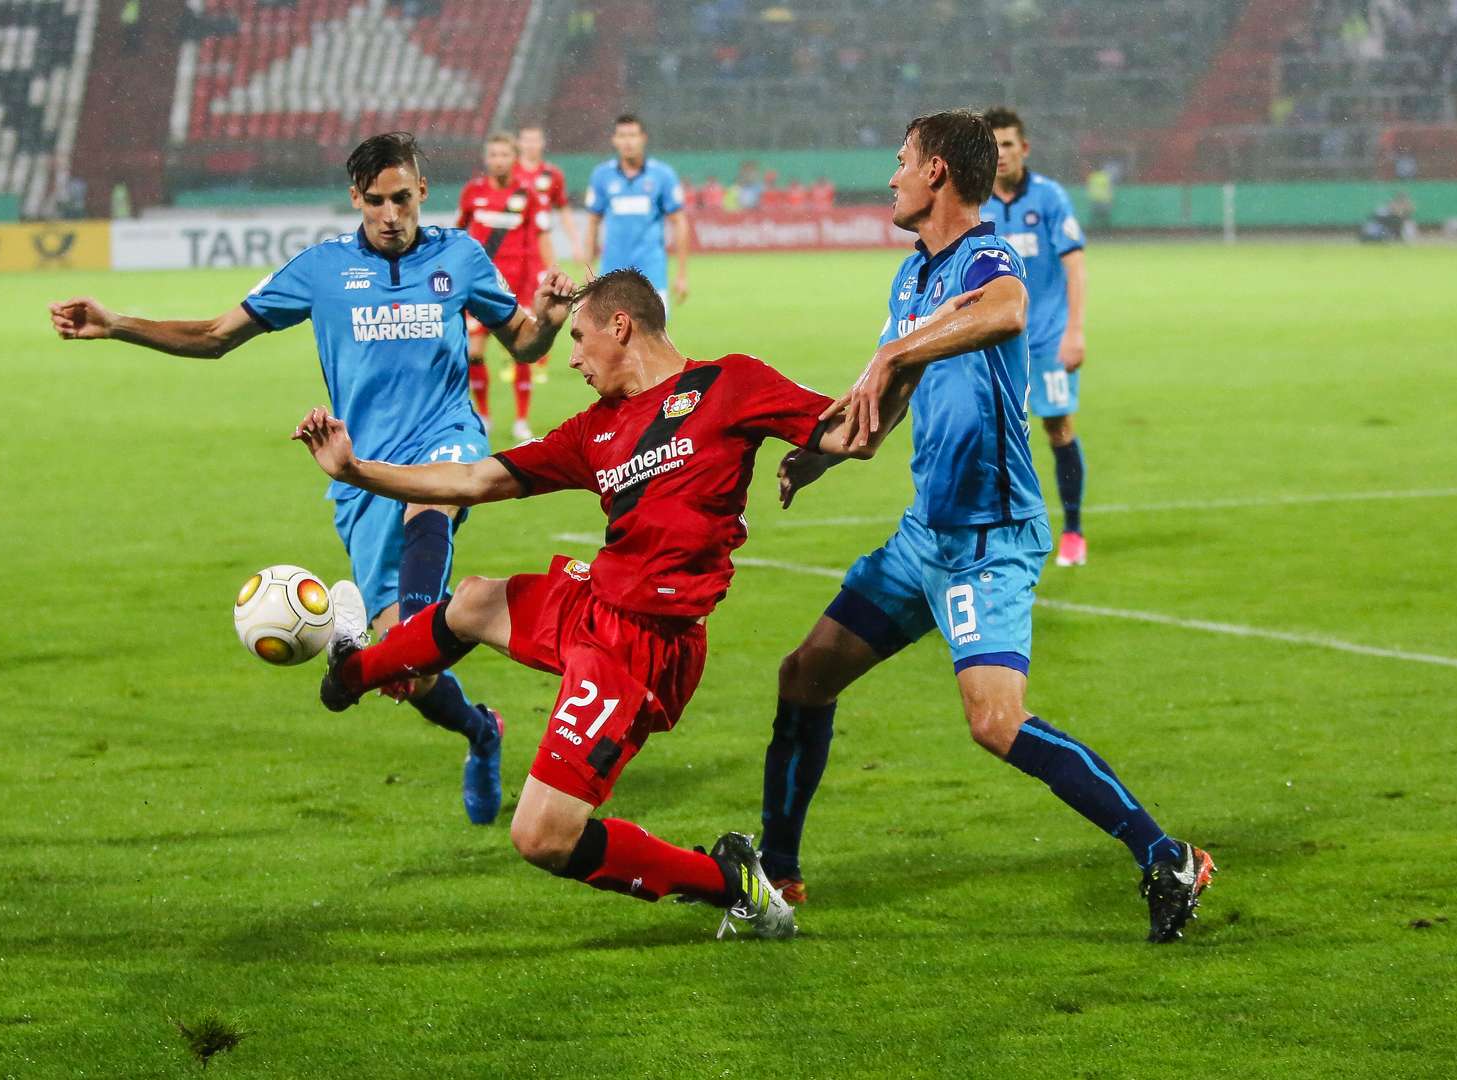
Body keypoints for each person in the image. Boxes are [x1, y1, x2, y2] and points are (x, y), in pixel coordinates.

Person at [292, 269, 910, 938]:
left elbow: (852, 433)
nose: (573, 358)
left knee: (541, 837)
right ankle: (353, 672)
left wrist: (909, 356)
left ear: (621, 327)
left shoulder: (729, 385)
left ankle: (733, 881)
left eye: (579, 339)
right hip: (596, 603)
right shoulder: (596, 429)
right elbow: (474, 478)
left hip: (641, 648)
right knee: (471, 602)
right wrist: (355, 471)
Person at [759, 110, 1214, 944]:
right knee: (805, 676)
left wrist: (897, 352)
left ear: (936, 171)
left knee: (996, 723)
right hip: (924, 537)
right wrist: (823, 454)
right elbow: (884, 405)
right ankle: (775, 872)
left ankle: (1167, 856)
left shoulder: (986, 256)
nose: (890, 176)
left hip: (988, 540)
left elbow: (1007, 312)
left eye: (901, 160)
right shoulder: (912, 277)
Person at [50, 133, 570, 825]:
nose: (392, 214)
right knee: (414, 677)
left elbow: (525, 342)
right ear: (356, 198)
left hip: (444, 437)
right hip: (357, 470)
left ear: (423, 191)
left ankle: (405, 638)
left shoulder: (460, 256)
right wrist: (117, 323)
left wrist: (550, 320)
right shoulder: (321, 270)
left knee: (434, 501)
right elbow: (215, 336)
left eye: (403, 198)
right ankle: (481, 730)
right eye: (377, 201)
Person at [979, 107, 1092, 566]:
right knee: (992, 437)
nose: (1001, 155)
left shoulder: (1049, 197)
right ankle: (1004, 533)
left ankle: (1073, 531)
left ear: (1024, 148)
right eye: (993, 147)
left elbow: (1075, 266)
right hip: (994, 345)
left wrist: (1074, 331)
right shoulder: (974, 203)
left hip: (1046, 341)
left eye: (1008, 145)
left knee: (1058, 428)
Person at [457, 132, 554, 443]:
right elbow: (459, 232)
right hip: (480, 288)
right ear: (486, 158)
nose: (498, 160)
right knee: (473, 352)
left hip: (517, 288)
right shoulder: (473, 192)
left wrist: (549, 272)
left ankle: (521, 420)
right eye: (493, 155)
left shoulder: (528, 195)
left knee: (521, 353)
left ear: (514, 158)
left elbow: (540, 236)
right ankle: (484, 415)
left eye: (504, 154)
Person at [583, 115, 689, 307]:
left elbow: (679, 222)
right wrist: (589, 270)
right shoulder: (601, 175)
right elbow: (592, 224)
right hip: (611, 275)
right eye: (622, 136)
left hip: (652, 274)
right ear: (614, 140)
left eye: (632, 135)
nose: (628, 142)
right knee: (612, 326)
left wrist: (682, 274)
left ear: (643, 138)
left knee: (654, 327)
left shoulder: (662, 175)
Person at [514, 124, 585, 386]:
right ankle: (513, 355)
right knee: (514, 303)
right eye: (527, 140)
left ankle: (540, 360)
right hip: (513, 251)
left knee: (543, 302)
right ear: (519, 143)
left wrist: (575, 242)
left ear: (542, 143)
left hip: (540, 251)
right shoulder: (511, 173)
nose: (531, 145)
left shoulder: (552, 174)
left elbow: (563, 209)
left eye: (535, 140)